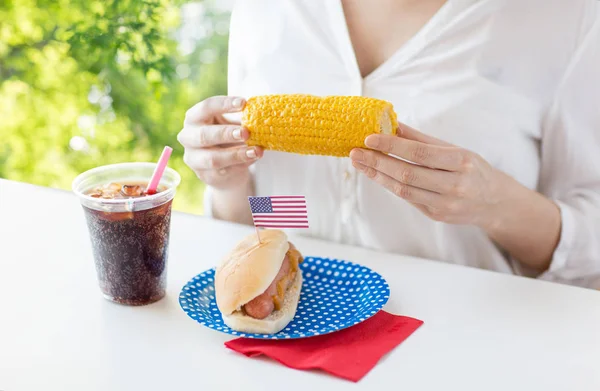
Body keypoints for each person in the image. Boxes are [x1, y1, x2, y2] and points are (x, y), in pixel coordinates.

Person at [177, 0, 600, 289]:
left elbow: (590, 235)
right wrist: (228, 185)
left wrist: (496, 205)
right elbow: (282, 208)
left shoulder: (566, 17)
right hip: (287, 326)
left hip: (465, 340)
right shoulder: (266, 9)